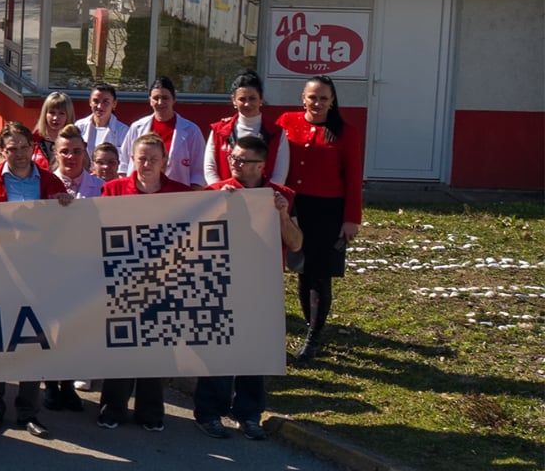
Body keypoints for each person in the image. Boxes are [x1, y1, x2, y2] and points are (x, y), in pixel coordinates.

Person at [0, 122, 74, 437]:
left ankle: (28, 411)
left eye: (24, 147)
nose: (19, 154)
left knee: (33, 343)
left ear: (33, 147)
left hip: (37, 275)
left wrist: (65, 204)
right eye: (11, 149)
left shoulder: (50, 181)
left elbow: (66, 228)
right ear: (1, 151)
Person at [201, 134, 303, 439]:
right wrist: (216, 208)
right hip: (220, 282)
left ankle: (248, 413)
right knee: (218, 350)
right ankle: (210, 413)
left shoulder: (280, 195)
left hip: (260, 284)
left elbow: (296, 242)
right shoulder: (216, 192)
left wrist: (282, 215)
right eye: (233, 158)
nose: (235, 164)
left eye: (243, 160)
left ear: (262, 165)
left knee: (254, 351)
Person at [97, 133, 191, 430]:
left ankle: (150, 412)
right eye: (141, 158)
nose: (147, 164)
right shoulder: (112, 190)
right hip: (122, 283)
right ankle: (113, 408)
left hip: (165, 284)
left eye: (153, 159)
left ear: (165, 161)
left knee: (158, 350)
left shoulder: (180, 193)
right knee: (122, 348)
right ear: (132, 160)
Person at [272, 74, 362, 362]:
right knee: (302, 270)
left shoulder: (346, 132)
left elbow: (353, 179)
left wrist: (351, 219)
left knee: (320, 275)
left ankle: (314, 336)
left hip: (328, 210)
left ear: (333, 100)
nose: (318, 103)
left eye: (324, 98)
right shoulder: (286, 122)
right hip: (296, 208)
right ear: (303, 98)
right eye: (313, 97)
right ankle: (309, 326)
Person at [118, 75, 207, 186]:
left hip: (177, 195)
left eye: (165, 98)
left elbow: (198, 172)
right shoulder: (137, 127)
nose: (160, 102)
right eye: (156, 98)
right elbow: (124, 164)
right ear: (150, 100)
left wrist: (191, 197)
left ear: (174, 100)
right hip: (140, 194)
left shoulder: (192, 131)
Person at [203, 69, 279, 186]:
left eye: (252, 98)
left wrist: (263, 195)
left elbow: (279, 174)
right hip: (225, 197)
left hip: (262, 199)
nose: (247, 104)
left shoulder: (276, 133)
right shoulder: (219, 130)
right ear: (233, 100)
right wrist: (221, 191)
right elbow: (209, 168)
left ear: (261, 99)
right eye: (242, 99)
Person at [53, 125, 102, 199]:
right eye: (65, 152)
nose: (71, 156)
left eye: (76, 151)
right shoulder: (44, 185)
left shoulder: (100, 186)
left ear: (84, 152)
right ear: (56, 154)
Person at [75, 81, 124, 154]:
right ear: (90, 102)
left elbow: (126, 162)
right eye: (96, 101)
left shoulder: (123, 131)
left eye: (105, 102)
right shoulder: (79, 127)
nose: (100, 106)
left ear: (114, 104)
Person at [32, 91, 75, 171]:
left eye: (61, 113)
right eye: (52, 113)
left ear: (68, 116)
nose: (55, 118)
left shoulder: (75, 143)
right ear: (45, 114)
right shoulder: (33, 141)